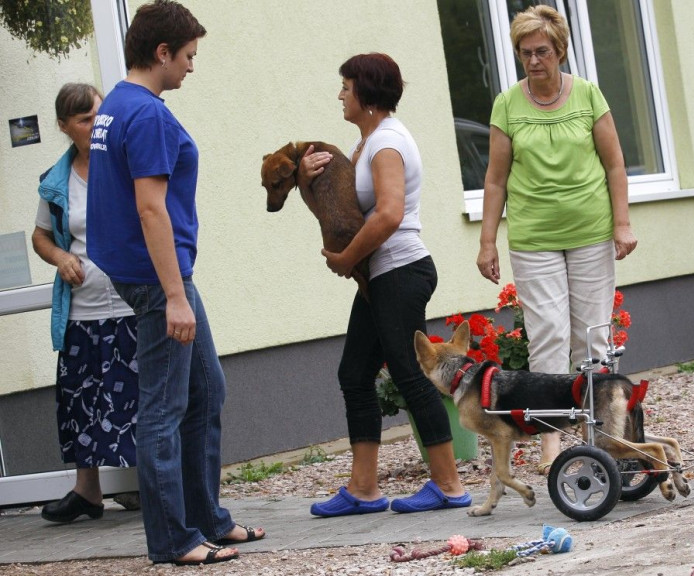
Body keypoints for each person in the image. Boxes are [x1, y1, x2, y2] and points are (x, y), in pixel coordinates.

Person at [86, 0, 264, 566]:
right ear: (161, 53)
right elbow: (151, 210)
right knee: (163, 410)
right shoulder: (149, 116)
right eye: (188, 56)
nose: (192, 66)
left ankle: (208, 518)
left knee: (206, 389)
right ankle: (174, 540)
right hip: (157, 279)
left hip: (148, 273)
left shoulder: (115, 104)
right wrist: (173, 296)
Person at [302, 52, 471, 517]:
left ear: (366, 92)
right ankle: (363, 489)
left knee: (410, 373)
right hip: (383, 276)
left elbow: (390, 214)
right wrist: (308, 176)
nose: (340, 94)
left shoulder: (387, 144)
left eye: (345, 86)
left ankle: (450, 485)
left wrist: (347, 258)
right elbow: (356, 202)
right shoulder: (368, 142)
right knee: (354, 374)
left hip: (400, 270)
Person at [475, 5, 638, 474]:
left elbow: (615, 165)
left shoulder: (588, 95)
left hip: (590, 232)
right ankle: (551, 446)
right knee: (547, 336)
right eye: (525, 53)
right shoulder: (507, 104)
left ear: (560, 50)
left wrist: (622, 224)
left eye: (541, 51)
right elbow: (495, 180)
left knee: (594, 337)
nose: (533, 60)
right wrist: (487, 242)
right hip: (534, 239)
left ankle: (606, 439)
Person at [32, 83, 140, 523]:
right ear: (64, 127)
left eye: (98, 114)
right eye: (83, 120)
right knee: (82, 400)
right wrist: (60, 257)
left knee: (140, 398)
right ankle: (88, 492)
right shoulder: (56, 181)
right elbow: (41, 236)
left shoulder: (126, 163)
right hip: (83, 312)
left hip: (133, 305)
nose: (95, 125)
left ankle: (149, 487)